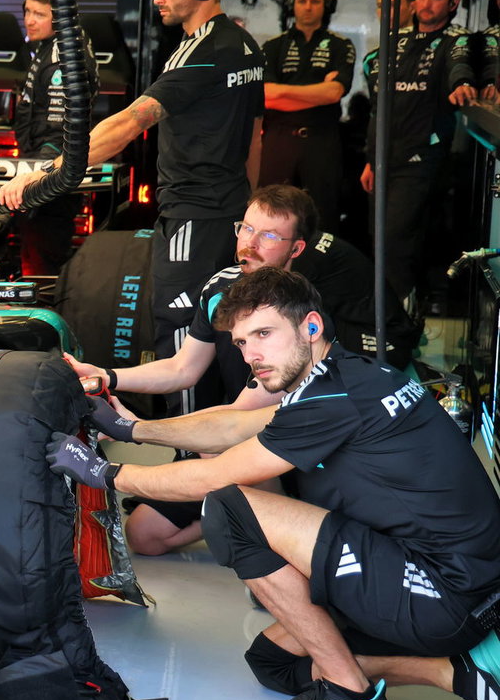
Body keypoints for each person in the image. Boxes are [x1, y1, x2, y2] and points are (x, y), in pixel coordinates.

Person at [52, 267, 500, 700]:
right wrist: (132, 430)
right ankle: (460, 673)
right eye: (243, 342)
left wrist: (105, 474)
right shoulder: (340, 377)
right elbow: (232, 426)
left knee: (230, 508)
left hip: (442, 592)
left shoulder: (334, 396)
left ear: (310, 326)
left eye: (264, 334)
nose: (253, 355)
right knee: (274, 663)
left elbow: (212, 475)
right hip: (447, 580)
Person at [68, 184, 418, 554]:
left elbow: (236, 421)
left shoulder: (303, 313)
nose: (251, 242)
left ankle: (278, 530)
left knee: (212, 448)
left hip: (297, 458)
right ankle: (238, 520)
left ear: (296, 249)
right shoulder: (220, 288)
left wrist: (128, 432)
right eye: (246, 228)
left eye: (269, 235)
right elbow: (182, 369)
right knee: (144, 535)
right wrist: (109, 376)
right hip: (237, 437)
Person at [1, 0, 265, 396]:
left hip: (192, 216)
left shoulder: (200, 49)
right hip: (229, 214)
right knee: (226, 335)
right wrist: (250, 212)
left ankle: (188, 451)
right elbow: (256, 136)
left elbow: (127, 123)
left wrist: (45, 174)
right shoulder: (244, 44)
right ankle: (218, 449)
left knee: (183, 332)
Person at [359, 0, 474, 308]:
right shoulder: (395, 43)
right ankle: (387, 314)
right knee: (378, 239)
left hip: (424, 159)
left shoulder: (458, 41)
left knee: (397, 240)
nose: (426, 4)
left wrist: (463, 83)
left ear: (453, 3)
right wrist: (370, 158)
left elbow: (462, 66)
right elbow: (379, 108)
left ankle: (402, 315)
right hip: (383, 160)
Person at [12, 0, 93, 276]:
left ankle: (42, 316)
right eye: (27, 11)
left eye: (39, 14)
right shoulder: (53, 48)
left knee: (41, 264)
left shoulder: (64, 57)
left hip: (50, 177)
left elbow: (59, 131)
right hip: (44, 169)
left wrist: (37, 175)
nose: (29, 21)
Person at [260, 0, 355, 228]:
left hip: (321, 140)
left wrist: (285, 93)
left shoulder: (340, 45)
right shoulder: (272, 46)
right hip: (278, 139)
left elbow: (334, 93)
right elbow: (267, 95)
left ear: (326, 5)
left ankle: (320, 267)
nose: (308, 6)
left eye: (315, 1)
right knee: (270, 211)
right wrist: (317, 92)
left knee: (323, 216)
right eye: (302, 1)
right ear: (293, 5)